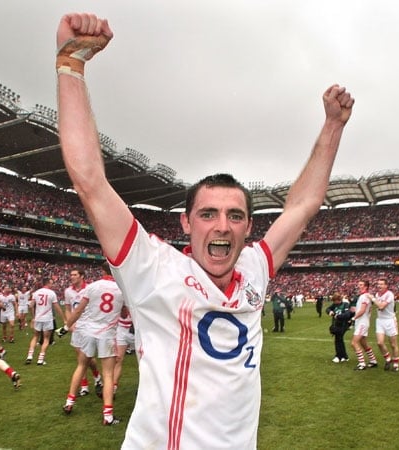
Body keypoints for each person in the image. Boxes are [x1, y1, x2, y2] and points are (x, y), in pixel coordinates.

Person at [55, 12, 354, 446]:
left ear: (248, 226)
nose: (222, 226)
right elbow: (90, 182)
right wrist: (72, 65)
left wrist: (332, 126)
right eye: (208, 214)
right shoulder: (153, 270)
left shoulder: (256, 269)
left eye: (235, 216)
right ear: (186, 223)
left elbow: (303, 206)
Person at [61, 262, 124, 425]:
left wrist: (66, 326)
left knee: (81, 366)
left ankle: (69, 402)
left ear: (102, 271)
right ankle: (108, 416)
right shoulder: (122, 289)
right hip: (107, 334)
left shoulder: (93, 286)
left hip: (89, 331)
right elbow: (124, 313)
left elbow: (78, 310)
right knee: (108, 374)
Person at [60, 267, 102, 396]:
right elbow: (67, 308)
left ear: (82, 276)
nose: (72, 277)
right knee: (80, 357)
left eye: (75, 274)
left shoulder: (90, 289)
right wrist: (69, 323)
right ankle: (89, 383)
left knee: (86, 358)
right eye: (71, 275)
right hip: (76, 327)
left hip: (88, 326)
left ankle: (94, 378)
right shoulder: (68, 291)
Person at [25, 278, 65, 365]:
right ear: (48, 283)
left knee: (35, 337)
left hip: (38, 318)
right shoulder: (51, 293)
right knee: (46, 339)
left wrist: (33, 317)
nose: (52, 285)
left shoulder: (36, 293)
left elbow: (31, 305)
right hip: (47, 318)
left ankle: (29, 356)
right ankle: (40, 359)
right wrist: (63, 318)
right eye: (51, 283)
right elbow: (57, 307)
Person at [372, 278, 399, 372]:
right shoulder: (377, 294)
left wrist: (372, 298)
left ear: (386, 285)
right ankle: (388, 359)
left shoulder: (389, 294)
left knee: (393, 344)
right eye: (378, 284)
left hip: (390, 321)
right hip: (380, 320)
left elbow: (381, 306)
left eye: (381, 284)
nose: (379, 286)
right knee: (380, 343)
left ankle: (396, 363)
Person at [350, 280, 377, 370]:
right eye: (359, 284)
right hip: (362, 322)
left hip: (362, 323)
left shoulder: (364, 297)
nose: (359, 286)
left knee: (354, 343)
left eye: (361, 285)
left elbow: (362, 310)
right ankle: (373, 360)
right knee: (364, 343)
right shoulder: (364, 296)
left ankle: (362, 363)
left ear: (366, 287)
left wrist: (353, 318)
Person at [327, 294, 352, 363]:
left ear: (339, 300)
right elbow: (327, 309)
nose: (334, 302)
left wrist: (338, 316)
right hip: (336, 324)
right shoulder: (334, 305)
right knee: (339, 340)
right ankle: (344, 356)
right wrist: (330, 311)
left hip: (343, 325)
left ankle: (338, 356)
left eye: (335, 301)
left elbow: (347, 314)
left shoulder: (345, 304)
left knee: (338, 340)